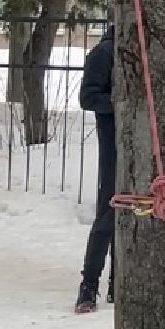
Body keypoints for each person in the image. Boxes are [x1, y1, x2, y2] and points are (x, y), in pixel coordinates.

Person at [75, 26, 117, 313]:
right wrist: (120, 104)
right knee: (108, 214)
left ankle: (120, 281)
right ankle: (89, 285)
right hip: (115, 146)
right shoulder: (104, 52)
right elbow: (88, 97)